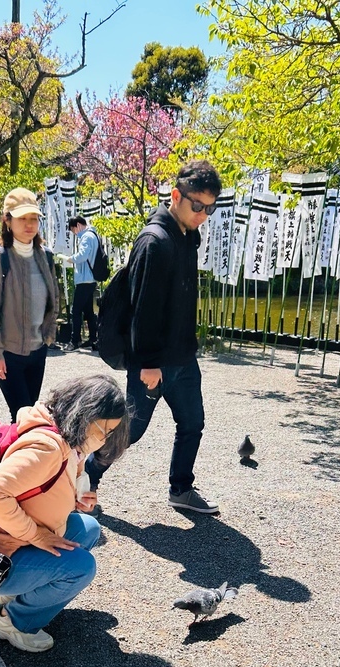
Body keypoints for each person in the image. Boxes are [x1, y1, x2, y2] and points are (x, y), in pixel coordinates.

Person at [0, 375, 129, 653]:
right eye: (104, 430)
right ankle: (13, 622)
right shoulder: (47, 447)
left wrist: (75, 500)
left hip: (5, 541)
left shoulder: (63, 435)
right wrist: (36, 535)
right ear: (86, 416)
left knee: (88, 528)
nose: (104, 439)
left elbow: (40, 491)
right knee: (81, 567)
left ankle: (15, 596)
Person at [85, 159, 223, 515]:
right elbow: (143, 309)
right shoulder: (155, 241)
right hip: (153, 362)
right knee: (131, 432)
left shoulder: (186, 237)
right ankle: (87, 476)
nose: (203, 215)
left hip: (182, 357)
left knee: (192, 423)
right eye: (197, 206)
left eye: (210, 208)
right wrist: (148, 363)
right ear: (176, 196)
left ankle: (181, 488)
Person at [0, 188, 60, 421]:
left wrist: (48, 335)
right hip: (9, 352)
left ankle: (18, 455)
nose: (29, 224)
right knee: (23, 415)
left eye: (33, 218)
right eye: (22, 218)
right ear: (7, 220)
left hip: (38, 349)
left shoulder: (46, 256)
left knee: (29, 414)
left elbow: (52, 299)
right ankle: (16, 456)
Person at [65, 215, 99, 349]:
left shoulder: (86, 237)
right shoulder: (93, 235)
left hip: (85, 279)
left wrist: (71, 259)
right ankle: (93, 340)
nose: (74, 233)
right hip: (91, 278)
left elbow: (83, 255)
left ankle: (75, 341)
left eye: (73, 230)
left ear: (78, 225)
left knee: (76, 310)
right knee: (89, 311)